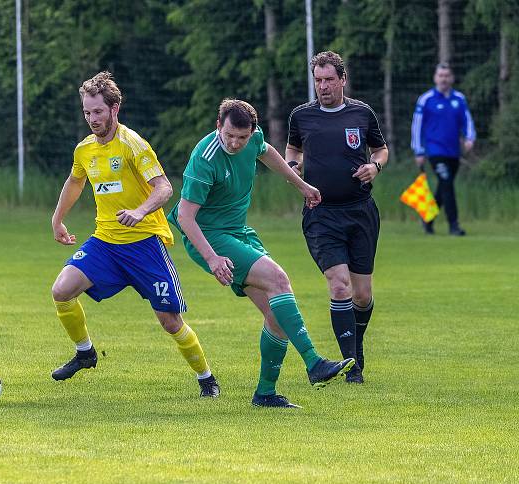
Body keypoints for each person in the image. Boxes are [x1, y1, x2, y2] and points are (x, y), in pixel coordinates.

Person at [168, 98, 355, 409]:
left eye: (242, 137)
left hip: (238, 232)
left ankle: (265, 394)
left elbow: (267, 153)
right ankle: (314, 362)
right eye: (229, 135)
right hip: (209, 238)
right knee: (279, 279)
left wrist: (302, 186)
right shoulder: (205, 156)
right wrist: (213, 259)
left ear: (252, 131)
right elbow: (185, 217)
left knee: (276, 314)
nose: (235, 143)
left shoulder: (253, 140)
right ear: (218, 126)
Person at [50, 71, 220, 398]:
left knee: (170, 322)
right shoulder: (84, 150)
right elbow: (75, 182)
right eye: (87, 112)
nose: (92, 119)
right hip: (105, 244)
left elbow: (165, 187)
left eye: (98, 111)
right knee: (62, 290)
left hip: (145, 246)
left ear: (115, 109)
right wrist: (57, 220)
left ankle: (206, 378)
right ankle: (85, 352)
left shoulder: (133, 144)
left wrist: (140, 211)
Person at [285, 51, 389, 384]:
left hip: (360, 213)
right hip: (321, 214)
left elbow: (380, 149)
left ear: (342, 79)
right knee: (340, 286)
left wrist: (375, 166)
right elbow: (293, 151)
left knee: (362, 294)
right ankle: (351, 366)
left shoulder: (362, 112)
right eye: (318, 80)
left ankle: (355, 349)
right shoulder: (301, 116)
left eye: (329, 80)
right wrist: (293, 168)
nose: (324, 86)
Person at [411, 62, 476, 236]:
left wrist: (469, 138)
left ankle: (428, 220)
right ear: (435, 78)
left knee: (443, 187)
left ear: (452, 78)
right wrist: (418, 150)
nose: (444, 79)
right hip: (434, 151)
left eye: (447, 76)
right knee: (447, 184)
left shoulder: (459, 99)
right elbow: (417, 127)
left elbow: (467, 121)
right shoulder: (426, 100)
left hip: (453, 152)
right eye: (441, 76)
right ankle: (454, 225)